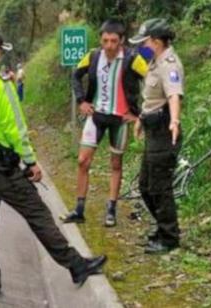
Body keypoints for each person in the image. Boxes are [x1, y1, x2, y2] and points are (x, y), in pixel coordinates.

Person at [0, 28, 107, 297]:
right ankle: (76, 265)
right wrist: (30, 162)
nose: (0, 58)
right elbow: (15, 129)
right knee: (37, 213)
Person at [60, 19, 148, 227]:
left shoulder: (132, 58)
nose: (109, 45)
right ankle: (79, 209)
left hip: (120, 119)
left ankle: (111, 210)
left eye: (114, 41)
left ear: (122, 41)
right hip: (96, 116)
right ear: (100, 39)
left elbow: (152, 82)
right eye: (105, 40)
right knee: (83, 161)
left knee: (115, 164)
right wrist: (82, 101)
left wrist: (140, 115)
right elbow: (76, 76)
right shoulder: (93, 56)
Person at [130, 18, 184, 254]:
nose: (142, 47)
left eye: (145, 42)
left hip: (164, 130)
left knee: (160, 187)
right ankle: (162, 228)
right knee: (145, 185)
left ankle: (169, 237)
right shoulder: (155, 62)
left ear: (156, 41)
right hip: (153, 130)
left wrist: (174, 121)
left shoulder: (169, 64)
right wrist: (141, 120)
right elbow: (152, 98)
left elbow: (173, 96)